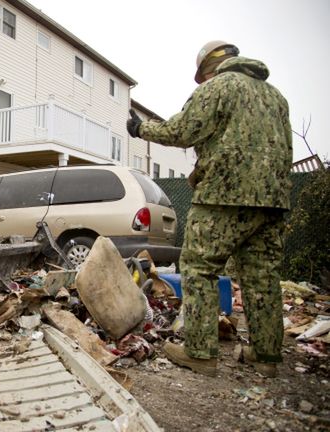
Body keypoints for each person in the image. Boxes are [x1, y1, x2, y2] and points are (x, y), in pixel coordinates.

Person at [127, 40, 292, 377]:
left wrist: (140, 128)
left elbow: (182, 130)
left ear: (207, 68)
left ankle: (200, 352)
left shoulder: (219, 87)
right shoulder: (276, 97)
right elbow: (283, 149)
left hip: (223, 197)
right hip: (272, 200)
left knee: (200, 268)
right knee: (262, 276)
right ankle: (266, 357)